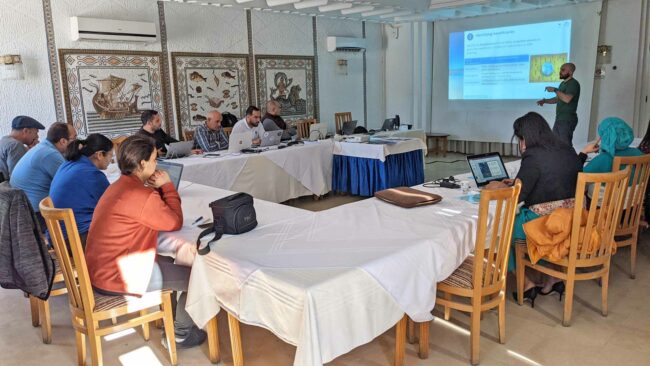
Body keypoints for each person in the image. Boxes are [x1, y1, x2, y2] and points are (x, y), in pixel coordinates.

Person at [85, 135, 206, 348]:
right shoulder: (139, 194)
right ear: (142, 164)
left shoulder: (118, 186)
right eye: (154, 160)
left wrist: (155, 189)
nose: (156, 164)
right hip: (118, 276)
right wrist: (167, 186)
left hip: (100, 270)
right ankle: (181, 334)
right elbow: (174, 222)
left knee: (174, 262)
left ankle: (172, 318)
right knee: (196, 276)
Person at [485, 112, 582, 305]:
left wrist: (498, 187)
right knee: (518, 221)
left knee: (503, 229)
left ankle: (526, 284)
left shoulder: (533, 155)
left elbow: (519, 196)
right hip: (571, 220)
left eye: (520, 138)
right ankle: (552, 279)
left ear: (525, 137)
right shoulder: (567, 150)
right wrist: (517, 182)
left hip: (545, 224)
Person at [49, 134, 113, 247]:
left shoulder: (68, 164)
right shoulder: (93, 175)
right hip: (74, 241)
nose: (111, 160)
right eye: (110, 155)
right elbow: (114, 206)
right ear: (99, 155)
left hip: (57, 237)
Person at [10, 122, 77, 230]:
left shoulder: (44, 147)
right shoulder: (50, 154)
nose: (77, 143)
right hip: (36, 214)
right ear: (63, 141)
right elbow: (72, 184)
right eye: (74, 139)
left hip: (24, 209)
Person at [536, 63, 580, 145]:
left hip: (567, 119)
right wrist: (545, 101)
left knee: (565, 145)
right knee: (556, 143)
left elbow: (567, 99)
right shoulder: (562, 84)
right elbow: (557, 99)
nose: (560, 72)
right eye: (560, 69)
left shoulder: (573, 83)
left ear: (570, 72)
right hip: (560, 118)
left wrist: (555, 90)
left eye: (563, 70)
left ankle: (570, 158)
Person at [0, 116, 45, 180]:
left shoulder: (4, 140)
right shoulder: (15, 145)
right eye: (36, 133)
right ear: (25, 131)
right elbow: (18, 178)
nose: (37, 136)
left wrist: (29, 151)